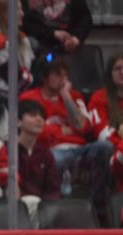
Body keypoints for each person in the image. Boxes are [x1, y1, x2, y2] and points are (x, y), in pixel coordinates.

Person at [20, 56, 114, 216]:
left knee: (105, 147)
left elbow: (84, 126)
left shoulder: (74, 96)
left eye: (65, 75)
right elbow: (34, 130)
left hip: (80, 149)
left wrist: (66, 96)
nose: (63, 79)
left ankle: (99, 203)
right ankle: (54, 205)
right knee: (56, 158)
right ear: (44, 76)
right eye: (57, 74)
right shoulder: (30, 97)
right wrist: (60, 131)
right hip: (51, 150)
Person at [18, 99, 60, 219]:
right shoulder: (7, 150)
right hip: (14, 208)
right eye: (32, 115)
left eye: (42, 116)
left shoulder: (46, 154)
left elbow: (53, 190)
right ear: (18, 122)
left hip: (42, 210)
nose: (39, 119)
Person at [89, 53, 123, 194]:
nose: (122, 72)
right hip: (114, 154)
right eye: (117, 68)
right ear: (110, 73)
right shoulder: (99, 97)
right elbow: (102, 134)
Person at [21, 0, 91, 54]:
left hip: (71, 47)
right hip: (39, 49)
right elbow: (26, 24)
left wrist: (76, 38)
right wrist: (53, 34)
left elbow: (84, 19)